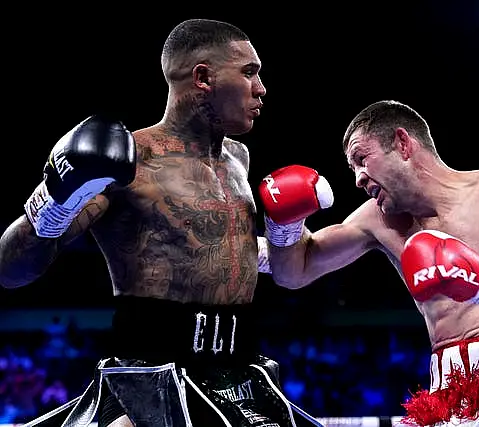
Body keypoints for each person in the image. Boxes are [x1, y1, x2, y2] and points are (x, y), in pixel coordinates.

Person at [0, 18, 319, 427]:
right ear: (203, 77)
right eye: (249, 72)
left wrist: (286, 235)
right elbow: (10, 271)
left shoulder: (238, 159)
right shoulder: (131, 161)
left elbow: (212, 247)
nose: (261, 88)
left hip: (239, 372)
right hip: (151, 380)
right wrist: (54, 202)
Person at [257, 100, 479, 426]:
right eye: (352, 169)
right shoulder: (378, 220)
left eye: (362, 159)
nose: (358, 178)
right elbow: (294, 271)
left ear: (403, 144)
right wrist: (283, 225)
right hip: (444, 394)